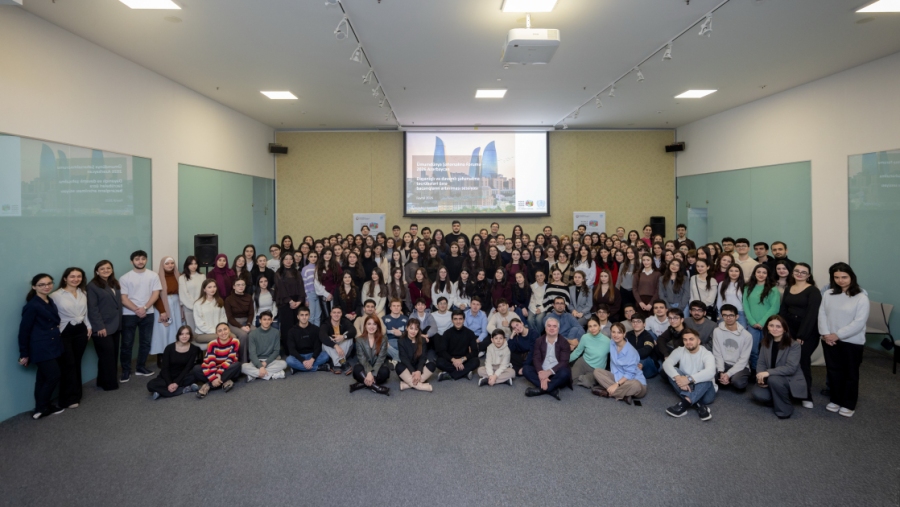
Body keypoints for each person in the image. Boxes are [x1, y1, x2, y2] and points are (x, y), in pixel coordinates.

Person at [818, 262, 869, 417]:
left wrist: (837, 335)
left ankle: (848, 404)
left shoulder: (861, 297)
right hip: (829, 340)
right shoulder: (828, 294)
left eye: (844, 277)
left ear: (852, 277)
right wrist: (825, 334)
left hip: (852, 341)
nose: (841, 280)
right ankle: (836, 399)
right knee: (834, 371)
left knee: (850, 374)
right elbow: (822, 314)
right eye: (837, 277)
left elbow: (859, 322)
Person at [19, 273, 65, 419]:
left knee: (43, 378)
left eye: (49, 283)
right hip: (41, 347)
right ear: (34, 287)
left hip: (52, 344)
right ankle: (42, 407)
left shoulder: (49, 301)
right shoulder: (32, 305)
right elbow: (24, 331)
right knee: (53, 376)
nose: (46, 286)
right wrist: (24, 353)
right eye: (42, 284)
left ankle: (40, 408)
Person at [779, 262, 821, 408]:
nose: (799, 274)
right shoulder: (789, 288)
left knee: (803, 362)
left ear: (808, 275)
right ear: (793, 273)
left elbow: (812, 314)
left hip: (807, 331)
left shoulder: (813, 291)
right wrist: (783, 329)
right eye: (797, 271)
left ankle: (806, 395)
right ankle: (791, 391)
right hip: (790, 328)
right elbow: (783, 309)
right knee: (788, 361)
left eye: (803, 272)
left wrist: (802, 335)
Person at [50, 268, 92, 409]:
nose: (76, 279)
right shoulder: (55, 295)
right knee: (68, 364)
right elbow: (51, 315)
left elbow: (86, 313)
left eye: (79, 276)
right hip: (64, 331)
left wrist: (89, 327)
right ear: (65, 278)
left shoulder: (83, 293)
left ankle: (76, 395)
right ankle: (66, 399)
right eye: (72, 276)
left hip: (81, 331)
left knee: (77, 362)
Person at [752, 315, 807, 418]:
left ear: (784, 329)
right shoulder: (765, 342)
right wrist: (760, 377)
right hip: (771, 377)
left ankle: (785, 409)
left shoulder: (794, 345)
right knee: (758, 394)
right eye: (771, 325)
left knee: (774, 379)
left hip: (788, 379)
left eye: (778, 326)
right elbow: (761, 363)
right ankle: (779, 398)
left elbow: (791, 368)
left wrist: (768, 373)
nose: (774, 329)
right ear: (767, 328)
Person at [119, 250, 162, 381]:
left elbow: (155, 294)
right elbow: (123, 298)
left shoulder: (153, 275)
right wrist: (137, 309)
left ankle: (141, 367)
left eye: (143, 259)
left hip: (148, 313)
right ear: (131, 261)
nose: (140, 261)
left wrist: (144, 308)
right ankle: (126, 371)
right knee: (127, 343)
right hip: (129, 314)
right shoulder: (125, 278)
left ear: (146, 260)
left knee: (145, 342)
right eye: (137, 259)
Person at [663, 328, 716, 421]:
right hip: (687, 386)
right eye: (685, 340)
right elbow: (666, 364)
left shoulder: (707, 354)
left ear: (698, 341)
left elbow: (711, 372)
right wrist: (678, 378)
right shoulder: (680, 350)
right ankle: (698, 404)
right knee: (673, 371)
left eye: (691, 339)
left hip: (705, 393)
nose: (688, 342)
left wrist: (688, 380)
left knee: (706, 377)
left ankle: (684, 404)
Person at [87, 260, 123, 391]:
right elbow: (92, 308)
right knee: (107, 356)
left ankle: (102, 381)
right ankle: (109, 384)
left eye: (108, 268)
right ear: (97, 271)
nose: (106, 270)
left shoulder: (114, 283)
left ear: (112, 270)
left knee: (112, 354)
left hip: (116, 324)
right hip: (102, 327)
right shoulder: (92, 286)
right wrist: (99, 326)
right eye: (102, 269)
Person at [592, 323, 648, 404]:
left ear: (624, 334)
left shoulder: (631, 351)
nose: (616, 335)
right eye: (613, 332)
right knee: (597, 371)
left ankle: (607, 392)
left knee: (636, 385)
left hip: (632, 381)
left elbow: (630, 374)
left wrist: (617, 384)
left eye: (619, 332)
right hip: (617, 377)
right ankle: (624, 395)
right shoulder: (612, 342)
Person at [146, 326, 202, 399]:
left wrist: (176, 383)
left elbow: (188, 368)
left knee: (194, 376)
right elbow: (165, 368)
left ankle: (161, 392)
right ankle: (183, 389)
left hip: (183, 375)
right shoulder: (169, 348)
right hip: (169, 375)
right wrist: (169, 383)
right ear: (178, 335)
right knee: (150, 385)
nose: (184, 336)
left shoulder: (194, 349)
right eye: (182, 334)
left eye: (187, 334)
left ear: (190, 335)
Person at [743, 264, 780, 373]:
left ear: (768, 275)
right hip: (752, 325)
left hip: (768, 325)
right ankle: (755, 371)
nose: (761, 274)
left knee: (767, 350)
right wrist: (752, 322)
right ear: (754, 273)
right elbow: (745, 305)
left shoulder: (773, 289)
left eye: (764, 272)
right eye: (758, 272)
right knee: (753, 350)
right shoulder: (747, 288)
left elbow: (775, 307)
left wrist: (763, 322)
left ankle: (767, 372)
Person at [523, 317, 572, 400]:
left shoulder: (564, 342)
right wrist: (541, 372)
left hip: (556, 372)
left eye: (554, 326)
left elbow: (564, 362)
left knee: (565, 372)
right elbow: (536, 358)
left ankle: (541, 389)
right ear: (545, 328)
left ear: (558, 329)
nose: (551, 328)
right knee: (526, 369)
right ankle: (552, 389)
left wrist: (549, 372)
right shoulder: (539, 341)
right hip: (542, 371)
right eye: (549, 326)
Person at [194, 323, 242, 398]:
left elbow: (230, 360)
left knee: (237, 365)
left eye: (225, 329)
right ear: (216, 333)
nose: (223, 333)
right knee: (196, 369)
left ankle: (208, 385)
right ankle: (225, 381)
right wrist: (213, 377)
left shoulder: (235, 341)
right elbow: (210, 362)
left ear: (229, 330)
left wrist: (219, 374)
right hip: (214, 368)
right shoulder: (212, 344)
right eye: (220, 331)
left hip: (226, 368)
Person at [712, 304, 752, 392]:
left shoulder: (747, 336)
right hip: (724, 363)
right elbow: (717, 353)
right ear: (721, 316)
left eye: (731, 315)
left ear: (737, 316)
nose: (728, 318)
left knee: (738, 383)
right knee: (709, 375)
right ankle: (725, 378)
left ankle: (729, 379)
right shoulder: (717, 331)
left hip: (740, 365)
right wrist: (721, 371)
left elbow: (743, 360)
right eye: (725, 315)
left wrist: (728, 374)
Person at [240, 311, 286, 381]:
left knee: (284, 363)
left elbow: (276, 351)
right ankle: (272, 375)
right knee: (243, 367)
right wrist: (260, 366)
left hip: (270, 360)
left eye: (269, 319)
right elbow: (252, 353)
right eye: (264, 319)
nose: (266, 322)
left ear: (271, 320)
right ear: (260, 320)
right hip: (257, 360)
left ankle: (254, 375)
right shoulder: (253, 334)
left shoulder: (276, 333)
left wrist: (266, 362)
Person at [351, 315, 391, 395]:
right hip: (364, 366)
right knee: (356, 369)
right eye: (369, 324)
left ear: (378, 326)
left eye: (374, 324)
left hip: (378, 366)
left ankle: (362, 384)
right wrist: (369, 372)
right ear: (365, 326)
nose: (371, 327)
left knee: (385, 372)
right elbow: (362, 359)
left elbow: (381, 359)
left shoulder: (383, 339)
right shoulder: (359, 340)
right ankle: (376, 387)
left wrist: (373, 374)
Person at [436, 310, 480, 381]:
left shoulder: (470, 333)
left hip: (464, 360)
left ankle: (449, 374)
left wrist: (462, 360)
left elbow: (475, 351)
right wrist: (453, 360)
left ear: (464, 320)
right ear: (452, 320)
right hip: (450, 360)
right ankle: (464, 373)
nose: (458, 321)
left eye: (460, 319)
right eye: (455, 319)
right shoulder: (447, 333)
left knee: (476, 361)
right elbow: (442, 351)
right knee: (439, 362)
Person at [569, 316, 611, 389]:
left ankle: (582, 377)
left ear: (599, 326)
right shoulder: (585, 337)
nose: (592, 328)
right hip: (583, 362)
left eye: (595, 325)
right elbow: (577, 352)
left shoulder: (608, 341)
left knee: (587, 383)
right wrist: (565, 360)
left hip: (596, 369)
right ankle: (579, 377)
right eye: (590, 326)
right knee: (571, 379)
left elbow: (615, 357)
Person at [285, 306, 330, 373]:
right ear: (298, 317)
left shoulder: (315, 329)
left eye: (306, 315)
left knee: (326, 355)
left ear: (309, 316)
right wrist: (302, 361)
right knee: (289, 360)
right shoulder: (292, 331)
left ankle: (298, 368)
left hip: (312, 355)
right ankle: (317, 368)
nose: (304, 317)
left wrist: (312, 359)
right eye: (302, 315)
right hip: (299, 356)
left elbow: (318, 347)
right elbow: (292, 350)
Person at [396, 318, 435, 392]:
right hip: (407, 369)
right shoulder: (401, 341)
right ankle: (421, 386)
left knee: (432, 365)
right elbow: (404, 358)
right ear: (407, 328)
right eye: (411, 328)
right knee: (398, 367)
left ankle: (408, 384)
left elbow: (423, 357)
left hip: (419, 368)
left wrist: (419, 371)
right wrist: (413, 371)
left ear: (418, 330)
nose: (413, 331)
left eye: (416, 329)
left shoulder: (422, 340)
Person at [319, 306, 356, 375]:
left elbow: (353, 331)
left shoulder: (345, 321)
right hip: (331, 348)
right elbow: (322, 336)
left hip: (342, 347)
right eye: (334, 312)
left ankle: (336, 364)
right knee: (326, 340)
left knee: (349, 337)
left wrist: (343, 337)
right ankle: (342, 362)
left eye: (338, 313)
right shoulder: (326, 323)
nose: (336, 314)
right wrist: (335, 346)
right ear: (331, 314)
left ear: (341, 314)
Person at [224, 278, 255, 358]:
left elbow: (251, 313)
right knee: (243, 335)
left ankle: (253, 357)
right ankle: (243, 359)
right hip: (234, 323)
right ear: (234, 287)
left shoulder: (248, 297)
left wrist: (248, 325)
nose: (241, 287)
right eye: (238, 285)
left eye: (243, 285)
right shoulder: (228, 299)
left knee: (255, 331)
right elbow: (229, 317)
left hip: (246, 321)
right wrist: (241, 327)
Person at [275, 253, 306, 331]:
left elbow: (301, 287)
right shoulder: (279, 273)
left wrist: (299, 301)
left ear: (293, 261)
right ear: (282, 261)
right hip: (285, 302)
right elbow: (281, 289)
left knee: (298, 326)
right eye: (286, 259)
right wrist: (290, 301)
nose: (288, 261)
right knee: (287, 326)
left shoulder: (297, 272)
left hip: (297, 302)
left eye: (290, 259)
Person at [193, 279, 227, 344]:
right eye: (209, 287)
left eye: (214, 286)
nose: (212, 289)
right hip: (202, 334)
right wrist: (215, 331)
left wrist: (221, 329)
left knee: (233, 337)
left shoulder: (219, 301)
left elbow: (223, 317)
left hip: (219, 331)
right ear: (204, 289)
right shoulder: (198, 304)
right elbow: (199, 324)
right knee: (224, 338)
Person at [626, 313, 658, 378]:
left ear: (644, 324)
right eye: (633, 322)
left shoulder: (648, 336)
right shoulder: (628, 334)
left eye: (639, 322)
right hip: (632, 360)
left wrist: (629, 354)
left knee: (642, 359)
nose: (635, 324)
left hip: (648, 364)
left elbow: (646, 351)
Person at [178, 256, 205, 331]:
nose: (194, 266)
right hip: (189, 307)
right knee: (191, 328)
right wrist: (194, 305)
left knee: (201, 327)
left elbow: (204, 291)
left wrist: (200, 304)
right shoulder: (182, 278)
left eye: (195, 264)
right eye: (191, 264)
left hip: (201, 306)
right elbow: (184, 294)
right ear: (187, 265)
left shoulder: (202, 276)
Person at [300, 251, 321, 326]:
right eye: (311, 256)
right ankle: (310, 331)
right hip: (310, 294)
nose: (313, 258)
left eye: (315, 256)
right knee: (310, 316)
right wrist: (306, 298)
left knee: (318, 316)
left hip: (319, 294)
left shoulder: (319, 268)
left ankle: (317, 331)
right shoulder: (305, 269)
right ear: (308, 258)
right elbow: (304, 284)